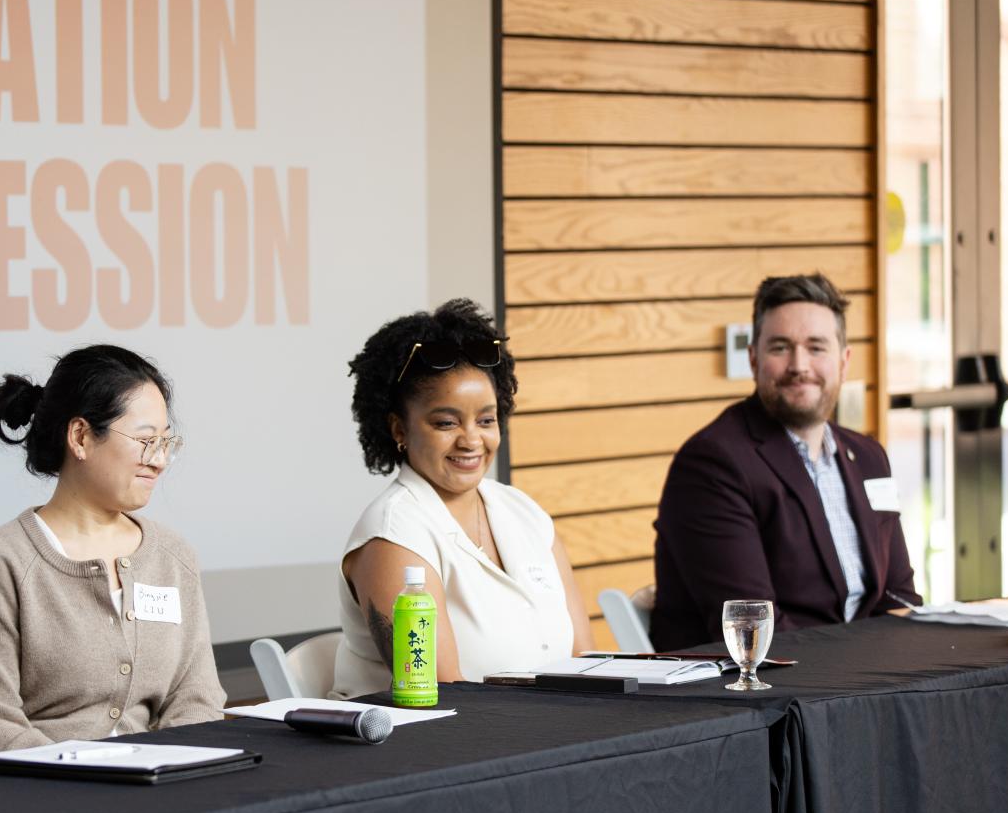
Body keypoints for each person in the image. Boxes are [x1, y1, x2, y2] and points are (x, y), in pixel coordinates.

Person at [0, 345, 224, 752]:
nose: (161, 460)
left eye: (167, 442)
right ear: (80, 437)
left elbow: (197, 697)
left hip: (167, 787)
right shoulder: (0, 562)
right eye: (146, 440)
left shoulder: (173, 556)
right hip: (52, 797)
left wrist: (168, 767)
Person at [332, 299, 595, 698]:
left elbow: (583, 658)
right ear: (399, 429)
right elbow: (442, 693)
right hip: (430, 747)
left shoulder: (524, 512)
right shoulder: (392, 536)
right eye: (446, 422)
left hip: (539, 735)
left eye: (486, 420)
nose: (472, 439)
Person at [651, 274, 919, 651]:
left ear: (844, 361)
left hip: (862, 684)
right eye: (781, 347)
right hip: (759, 693)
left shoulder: (870, 458)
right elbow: (753, 630)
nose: (799, 365)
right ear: (753, 358)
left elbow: (899, 597)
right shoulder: (712, 465)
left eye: (816, 347)